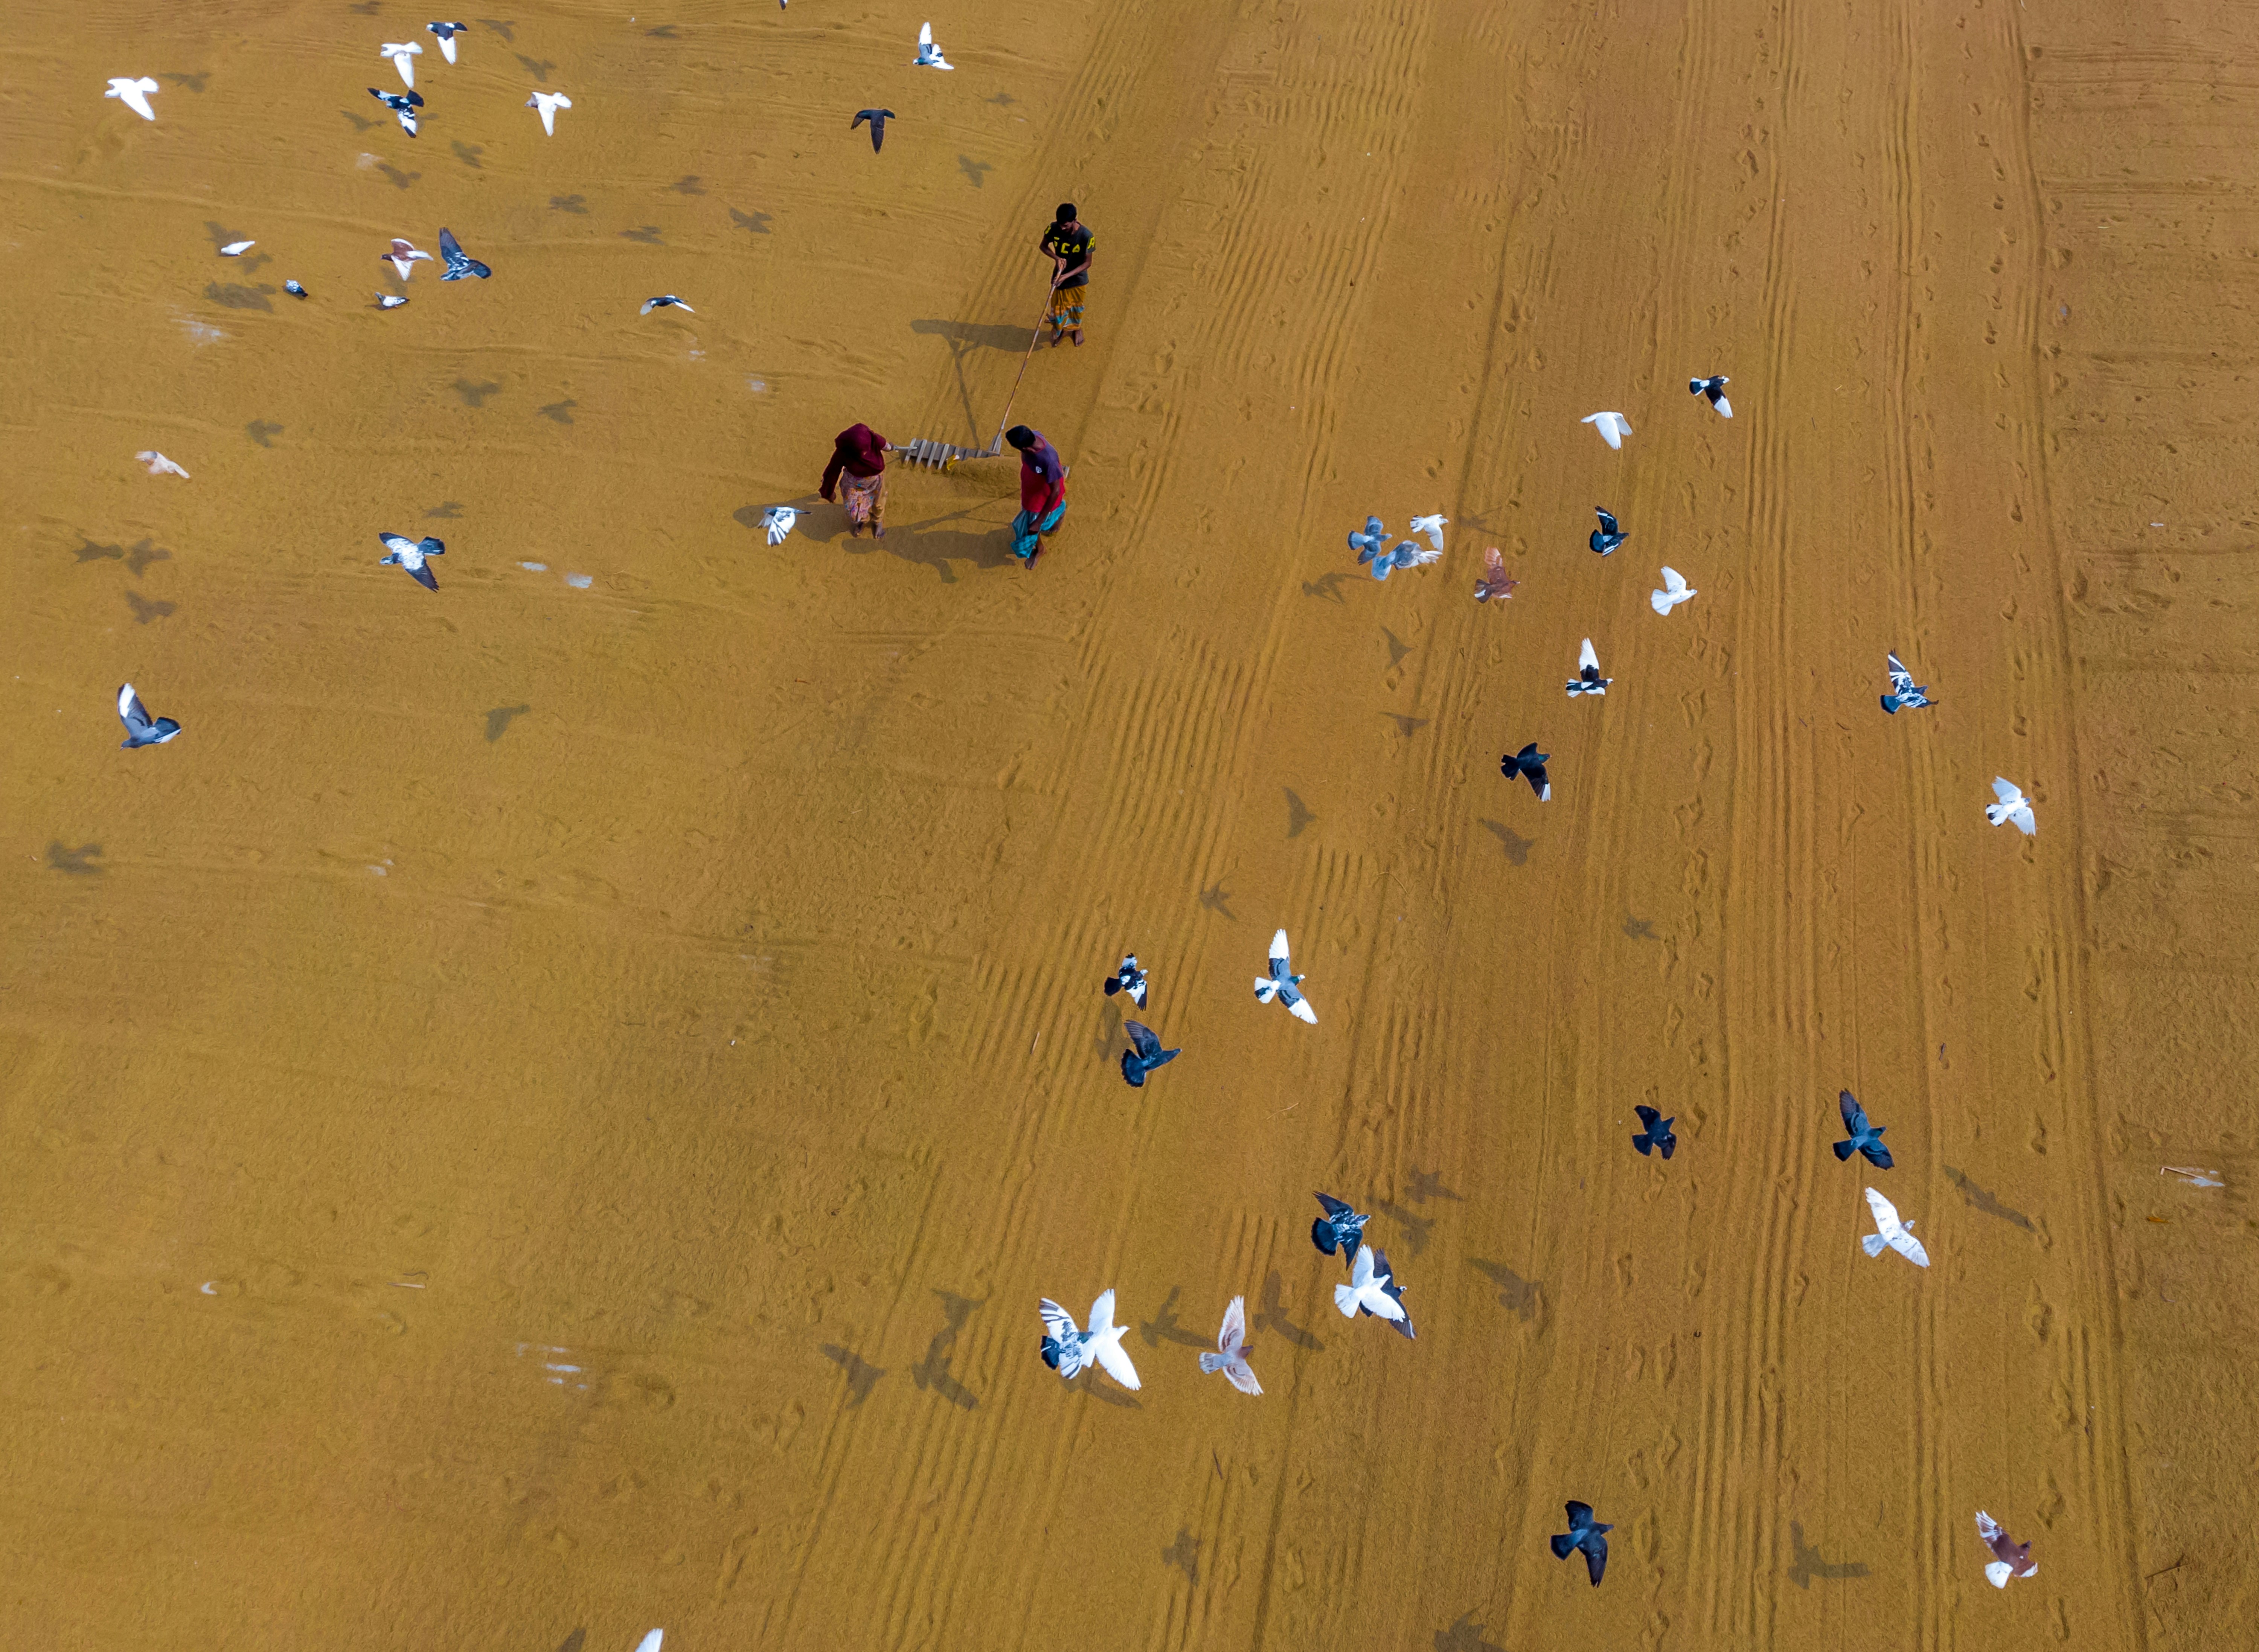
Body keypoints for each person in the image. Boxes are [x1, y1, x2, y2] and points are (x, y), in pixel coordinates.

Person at [1006, 425, 1065, 565]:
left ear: (1025, 449)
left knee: (1031, 527)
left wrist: (1039, 521)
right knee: (1031, 524)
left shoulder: (1048, 460)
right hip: (1031, 489)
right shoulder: (1033, 436)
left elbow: (1055, 491)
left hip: (1040, 498)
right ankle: (1058, 515)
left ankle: (1040, 549)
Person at [1037, 203, 1093, 347]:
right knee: (1059, 308)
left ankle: (1076, 329)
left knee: (1075, 307)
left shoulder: (1086, 236)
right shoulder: (1053, 228)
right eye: (1060, 224)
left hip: (1077, 279)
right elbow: (1043, 246)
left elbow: (1087, 263)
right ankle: (1062, 329)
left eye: (1066, 225)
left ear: (1075, 220)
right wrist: (1057, 258)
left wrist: (1066, 276)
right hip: (1059, 277)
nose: (1062, 228)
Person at [820, 423, 888, 537]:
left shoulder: (874, 439)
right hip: (854, 483)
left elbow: (886, 445)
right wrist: (829, 492)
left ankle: (878, 521)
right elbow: (832, 472)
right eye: (861, 452)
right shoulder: (843, 452)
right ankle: (863, 520)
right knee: (854, 513)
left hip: (876, 481)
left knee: (878, 505)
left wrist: (889, 447)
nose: (864, 455)